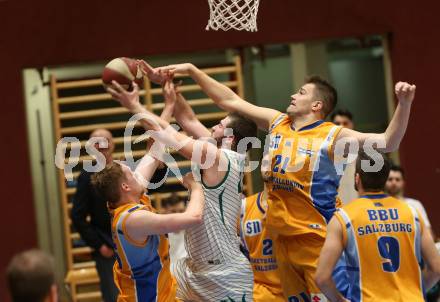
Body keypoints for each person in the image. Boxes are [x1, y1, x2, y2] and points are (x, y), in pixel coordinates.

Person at [147, 62, 416, 300]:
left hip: (316, 241)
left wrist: (404, 104)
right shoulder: (278, 123)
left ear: (316, 105)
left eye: (301, 92)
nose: (292, 95)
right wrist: (192, 70)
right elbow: (230, 101)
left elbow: (386, 141)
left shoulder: (333, 136)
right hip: (280, 242)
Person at [107, 76, 256, 301]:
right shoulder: (214, 149)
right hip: (194, 267)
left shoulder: (219, 158)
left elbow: (167, 134)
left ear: (230, 137)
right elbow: (187, 118)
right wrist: (170, 90)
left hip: (223, 272)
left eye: (221, 125)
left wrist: (134, 106)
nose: (214, 126)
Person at [92, 81, 205, 302]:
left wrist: (169, 105)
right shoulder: (133, 220)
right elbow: (193, 217)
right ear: (125, 186)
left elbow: (156, 148)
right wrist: (196, 186)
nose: (136, 173)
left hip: (164, 293)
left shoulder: (131, 195)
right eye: (130, 173)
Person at [315, 150, 440, 301]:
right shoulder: (412, 213)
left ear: (357, 178)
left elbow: (322, 277)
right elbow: (436, 269)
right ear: (385, 179)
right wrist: (417, 290)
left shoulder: (343, 218)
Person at [71, 128, 119, 302]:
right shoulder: (86, 177)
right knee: (113, 297)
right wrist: (99, 245)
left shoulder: (124, 170)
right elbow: (77, 216)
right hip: (107, 249)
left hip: (133, 245)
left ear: (112, 144)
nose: (101, 145)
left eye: (105, 140)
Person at [239, 155, 284, 302]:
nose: (269, 165)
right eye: (265, 162)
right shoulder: (244, 207)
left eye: (274, 161)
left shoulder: (298, 207)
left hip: (294, 290)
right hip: (259, 293)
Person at [386, 164, 434, 237]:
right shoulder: (378, 206)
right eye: (390, 179)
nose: (394, 183)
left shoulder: (415, 204)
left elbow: (427, 232)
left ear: (403, 183)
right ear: (384, 182)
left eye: (397, 179)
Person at [332, 109, 358, 204]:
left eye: (345, 123)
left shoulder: (364, 156)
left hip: (357, 211)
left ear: (352, 125)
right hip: (334, 212)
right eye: (337, 123)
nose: (341, 127)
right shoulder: (324, 155)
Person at [162, 193, 188, 272]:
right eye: (173, 211)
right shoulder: (159, 232)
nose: (178, 215)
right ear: (165, 211)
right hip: (168, 274)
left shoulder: (192, 229)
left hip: (188, 273)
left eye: (181, 211)